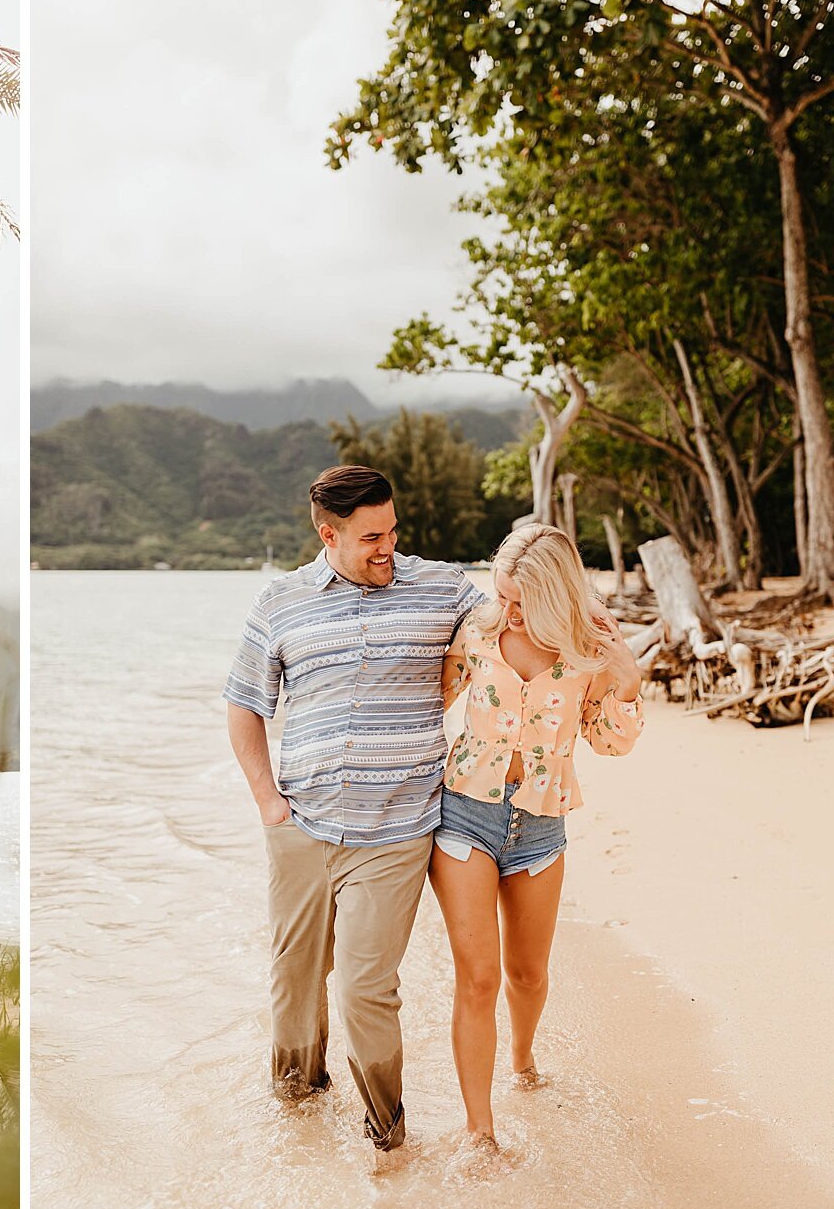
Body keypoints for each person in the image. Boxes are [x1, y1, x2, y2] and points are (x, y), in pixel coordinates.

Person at [225, 465, 485, 1153]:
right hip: (300, 829)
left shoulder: (441, 587)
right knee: (294, 985)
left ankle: (387, 1138)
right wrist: (267, 805)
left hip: (396, 833)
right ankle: (296, 1117)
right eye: (371, 536)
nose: (387, 548)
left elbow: (505, 616)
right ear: (327, 534)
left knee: (368, 989)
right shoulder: (279, 603)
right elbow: (245, 705)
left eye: (394, 530)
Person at [433, 523, 644, 1158]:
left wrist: (625, 674)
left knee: (528, 974)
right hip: (465, 816)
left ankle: (523, 1060)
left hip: (540, 825)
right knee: (479, 979)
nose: (512, 614)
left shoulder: (587, 650)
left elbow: (612, 741)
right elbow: (427, 703)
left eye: (524, 604)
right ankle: (480, 1132)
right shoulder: (477, 632)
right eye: (504, 597)